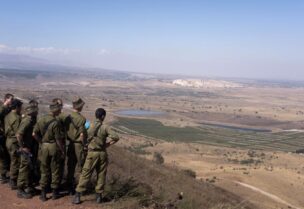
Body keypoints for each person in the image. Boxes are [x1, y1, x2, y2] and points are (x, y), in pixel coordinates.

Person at [73, 108, 119, 204]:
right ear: (103, 116)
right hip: (102, 153)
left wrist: (85, 144)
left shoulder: (89, 124)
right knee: (101, 174)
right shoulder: (105, 127)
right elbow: (116, 137)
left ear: (95, 115)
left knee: (85, 174)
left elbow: (81, 135)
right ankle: (99, 197)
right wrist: (107, 145)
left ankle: (77, 195)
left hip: (91, 153)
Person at [32, 101, 65, 201]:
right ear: (56, 111)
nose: (60, 111)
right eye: (59, 110)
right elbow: (58, 139)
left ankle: (43, 194)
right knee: (55, 169)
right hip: (53, 147)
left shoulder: (41, 119)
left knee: (44, 170)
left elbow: (34, 134)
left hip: (44, 147)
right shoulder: (56, 122)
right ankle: (54, 193)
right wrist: (62, 150)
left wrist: (41, 142)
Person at [16, 105, 38, 199]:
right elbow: (18, 135)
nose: (37, 112)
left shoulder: (31, 120)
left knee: (28, 168)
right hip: (26, 148)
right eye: (35, 110)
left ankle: (29, 187)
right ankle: (20, 190)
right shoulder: (27, 121)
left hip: (29, 147)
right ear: (32, 112)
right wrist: (22, 147)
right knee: (24, 168)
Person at [66, 97, 87, 194]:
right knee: (81, 166)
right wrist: (84, 145)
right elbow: (82, 135)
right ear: (80, 107)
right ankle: (79, 188)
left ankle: (69, 186)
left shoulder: (68, 117)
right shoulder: (82, 119)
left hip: (70, 144)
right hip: (78, 145)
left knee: (70, 166)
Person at [5, 99, 23, 189]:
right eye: (20, 107)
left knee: (13, 160)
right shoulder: (16, 118)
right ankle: (13, 180)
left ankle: (13, 179)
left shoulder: (8, 115)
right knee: (15, 161)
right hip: (14, 142)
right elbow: (18, 134)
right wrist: (21, 146)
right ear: (17, 107)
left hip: (8, 140)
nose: (21, 109)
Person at [0, 93, 14, 183]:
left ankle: (4, 174)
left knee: (6, 155)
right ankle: (2, 176)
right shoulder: (2, 109)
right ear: (6, 99)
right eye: (11, 99)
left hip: (5, 135)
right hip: (1, 135)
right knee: (3, 156)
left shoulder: (8, 109)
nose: (12, 101)